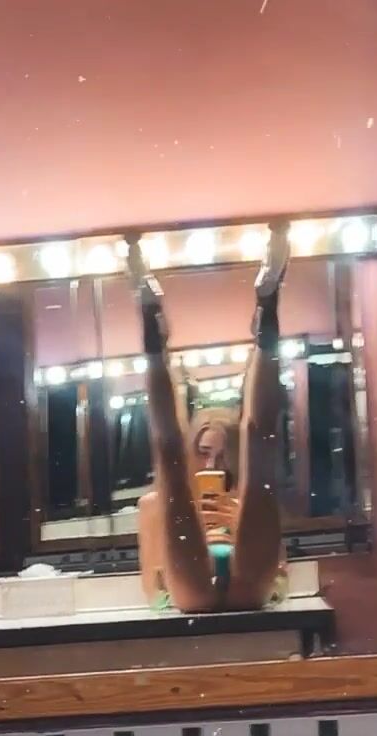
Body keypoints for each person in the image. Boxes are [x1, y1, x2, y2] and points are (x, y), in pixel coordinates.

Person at [130, 225, 289, 613]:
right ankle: (264, 315)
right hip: (195, 589)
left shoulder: (245, 500)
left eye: (222, 455)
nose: (212, 464)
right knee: (172, 470)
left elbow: (281, 584)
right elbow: (155, 594)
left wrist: (235, 523)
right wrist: (188, 533)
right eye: (204, 453)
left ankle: (157, 331)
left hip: (246, 583)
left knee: (259, 452)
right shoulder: (154, 507)